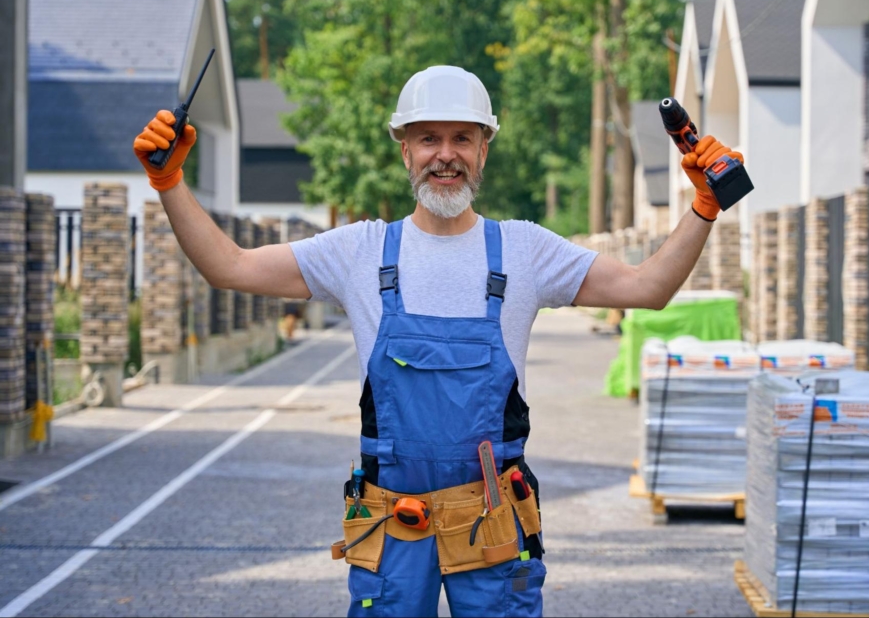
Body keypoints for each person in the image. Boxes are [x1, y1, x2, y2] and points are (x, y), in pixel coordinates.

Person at [132, 65, 744, 617]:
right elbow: (230, 267)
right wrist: (170, 183)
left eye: (462, 138)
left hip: (494, 521)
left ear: (485, 148)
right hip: (392, 526)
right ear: (405, 149)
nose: (444, 155)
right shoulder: (360, 251)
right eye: (429, 138)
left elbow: (648, 287)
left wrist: (704, 206)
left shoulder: (525, 249)